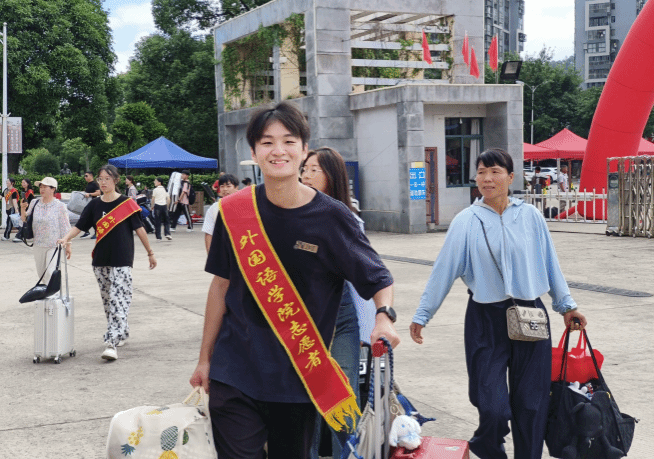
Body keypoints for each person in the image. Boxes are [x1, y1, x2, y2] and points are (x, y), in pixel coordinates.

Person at [190, 101, 399, 459]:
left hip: (298, 377)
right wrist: (204, 359)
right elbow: (220, 287)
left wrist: (384, 317)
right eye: (267, 142)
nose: (278, 151)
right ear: (254, 152)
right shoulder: (233, 212)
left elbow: (378, 278)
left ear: (304, 150)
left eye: (288, 141)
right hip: (234, 369)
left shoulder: (332, 217)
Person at [410, 148, 587, 459]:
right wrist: (423, 313)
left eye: (494, 172)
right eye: (481, 172)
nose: (487, 179)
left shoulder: (530, 216)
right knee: (491, 405)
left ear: (510, 177)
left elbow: (549, 262)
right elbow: (444, 270)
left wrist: (566, 305)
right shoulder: (466, 221)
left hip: (530, 314)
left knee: (531, 404)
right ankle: (487, 445)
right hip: (485, 319)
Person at [301, 147, 377, 459]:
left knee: (343, 398)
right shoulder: (292, 215)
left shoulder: (349, 219)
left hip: (342, 318)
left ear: (332, 176)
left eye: (313, 170)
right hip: (301, 319)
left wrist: (368, 330)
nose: (306, 175)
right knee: (307, 399)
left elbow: (363, 280)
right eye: (304, 169)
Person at [58, 164, 157, 361]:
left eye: (107, 179)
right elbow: (80, 226)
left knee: (118, 298)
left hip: (122, 259)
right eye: (100, 179)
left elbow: (140, 229)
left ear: (116, 180)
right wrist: (66, 238)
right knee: (108, 300)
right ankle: (122, 331)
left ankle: (111, 342)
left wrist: (150, 253)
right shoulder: (94, 205)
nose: (103, 182)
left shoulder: (127, 203)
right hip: (100, 259)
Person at [20, 177, 72, 285]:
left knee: (50, 273)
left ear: (53, 189)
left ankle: (53, 293)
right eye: (41, 187)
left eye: (45, 187)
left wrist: (68, 245)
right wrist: (22, 208)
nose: (42, 189)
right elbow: (24, 219)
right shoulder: (34, 202)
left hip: (54, 245)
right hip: (38, 244)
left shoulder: (60, 206)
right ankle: (48, 291)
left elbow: (65, 226)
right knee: (41, 274)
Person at [202, 174, 239, 253]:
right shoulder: (214, 208)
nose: (225, 189)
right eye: (222, 186)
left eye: (228, 186)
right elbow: (209, 232)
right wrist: (210, 254)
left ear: (236, 187)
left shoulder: (244, 205)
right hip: (222, 249)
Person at [12, 179, 36, 243]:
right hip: (23, 209)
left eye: (24, 183)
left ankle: (20, 236)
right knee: (22, 223)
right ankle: (20, 235)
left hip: (28, 209)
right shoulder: (23, 191)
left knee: (24, 223)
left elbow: (31, 202)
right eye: (22, 183)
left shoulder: (30, 192)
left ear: (28, 183)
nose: (23, 184)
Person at [81, 171, 101, 239]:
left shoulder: (94, 184)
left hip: (94, 204)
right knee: (84, 216)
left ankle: (97, 233)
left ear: (91, 176)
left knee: (94, 219)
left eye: (86, 176)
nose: (85, 177)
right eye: (84, 176)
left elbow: (98, 193)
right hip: (88, 204)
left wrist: (89, 194)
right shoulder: (88, 184)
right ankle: (86, 231)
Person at [151, 177, 172, 242]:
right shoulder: (165, 189)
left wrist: (152, 206)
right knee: (166, 221)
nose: (154, 182)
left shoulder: (155, 190)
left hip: (157, 206)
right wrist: (167, 206)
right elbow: (168, 199)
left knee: (158, 222)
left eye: (155, 181)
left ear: (159, 183)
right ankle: (167, 233)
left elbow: (153, 199)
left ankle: (158, 237)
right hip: (164, 206)